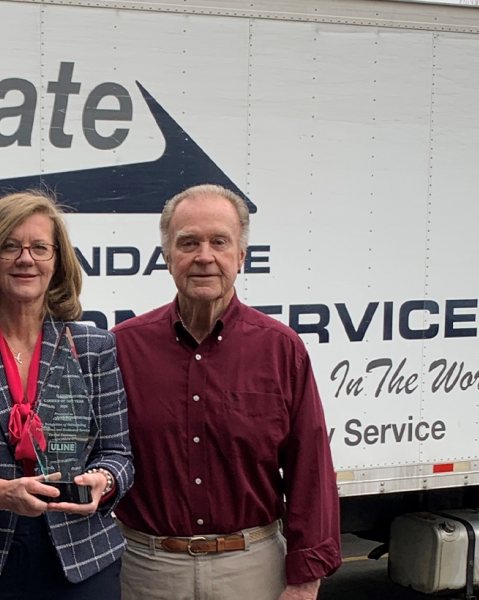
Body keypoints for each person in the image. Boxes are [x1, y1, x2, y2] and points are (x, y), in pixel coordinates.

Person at [111, 184, 341, 600]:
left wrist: (306, 580)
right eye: (188, 242)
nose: (204, 256)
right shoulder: (122, 348)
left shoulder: (280, 349)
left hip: (251, 570)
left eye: (219, 242)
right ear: (167, 258)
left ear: (240, 256)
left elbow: (311, 469)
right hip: (147, 571)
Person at [0, 191, 134, 600]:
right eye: (10, 246)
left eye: (40, 247)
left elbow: (119, 454)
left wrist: (104, 480)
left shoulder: (94, 348)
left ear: (57, 261)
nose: (26, 259)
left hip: (81, 561)